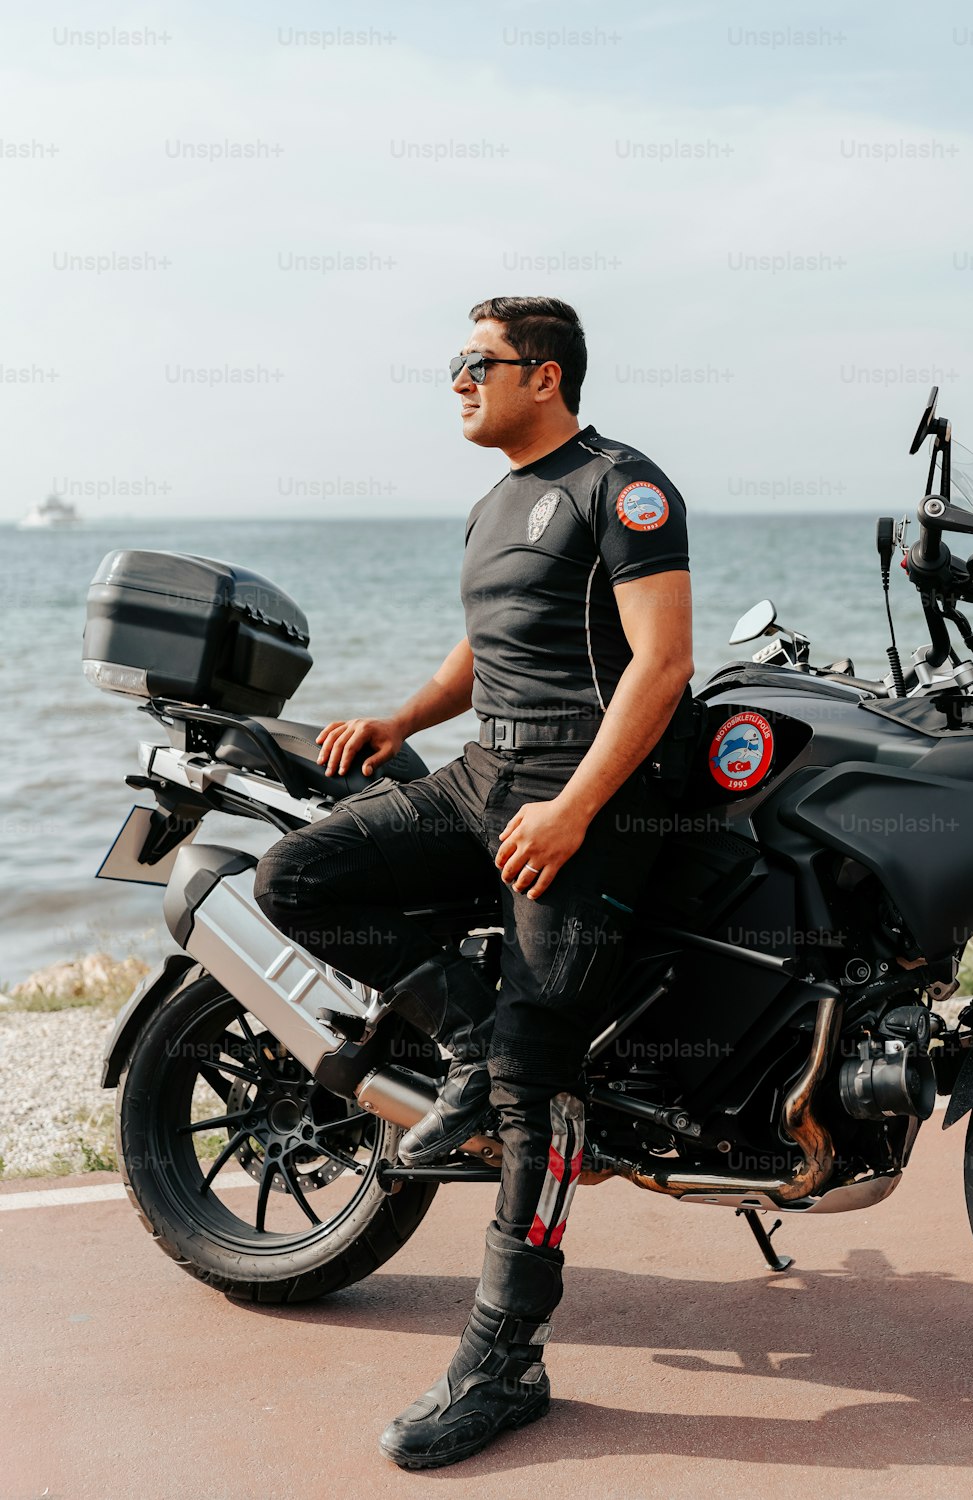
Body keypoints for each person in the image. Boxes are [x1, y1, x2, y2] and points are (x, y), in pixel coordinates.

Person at [253, 295, 694, 1469]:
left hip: (588, 798)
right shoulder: (496, 499)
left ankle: (505, 1362)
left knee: (536, 1071)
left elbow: (663, 664)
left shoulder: (621, 484)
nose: (455, 379)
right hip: (483, 772)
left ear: (542, 376)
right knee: (297, 877)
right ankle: (459, 1035)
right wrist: (400, 716)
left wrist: (575, 810)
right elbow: (488, 643)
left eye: (474, 361)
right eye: (454, 361)